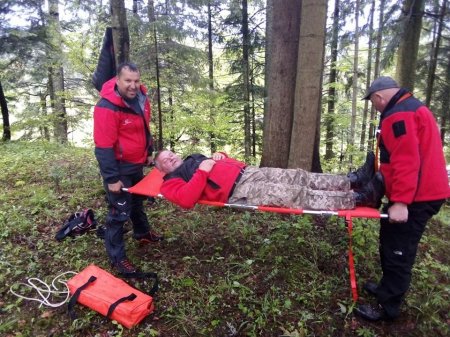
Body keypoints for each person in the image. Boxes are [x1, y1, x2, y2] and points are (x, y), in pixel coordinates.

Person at [354, 76, 450, 321]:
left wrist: (401, 202)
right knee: (390, 239)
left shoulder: (399, 115)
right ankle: (386, 288)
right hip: (417, 191)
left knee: (398, 250)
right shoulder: (412, 107)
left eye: (373, 103)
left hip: (417, 196)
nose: (375, 107)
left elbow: (406, 160)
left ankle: (387, 309)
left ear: (379, 97)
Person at [94, 62, 163, 275]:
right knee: (119, 212)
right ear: (117, 80)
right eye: (128, 81)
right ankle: (117, 258)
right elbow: (103, 146)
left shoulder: (141, 98)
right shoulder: (107, 106)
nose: (133, 85)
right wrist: (111, 178)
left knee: (137, 203)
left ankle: (142, 233)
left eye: (136, 80)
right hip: (119, 169)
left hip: (135, 164)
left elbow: (144, 128)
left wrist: (148, 153)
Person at [154, 150, 384, 211]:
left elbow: (224, 163)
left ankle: (352, 181)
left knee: (299, 176)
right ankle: (359, 198)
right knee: (296, 193)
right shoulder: (170, 182)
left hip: (248, 172)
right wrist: (203, 171)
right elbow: (186, 200)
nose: (171, 157)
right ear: (161, 168)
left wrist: (221, 156)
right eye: (165, 159)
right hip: (240, 191)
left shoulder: (192, 158)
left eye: (171, 153)